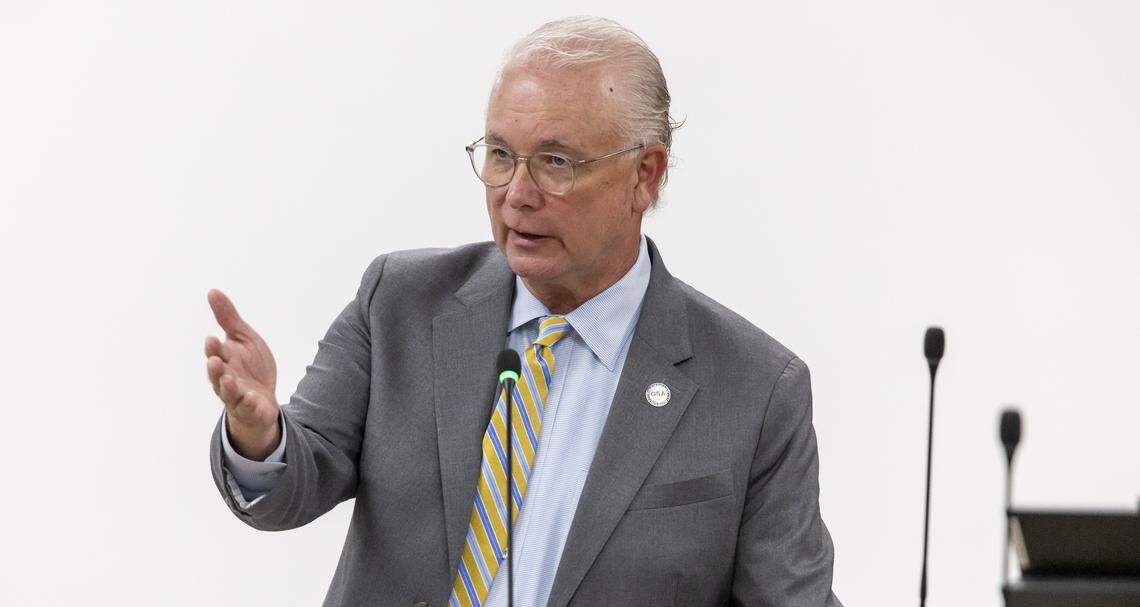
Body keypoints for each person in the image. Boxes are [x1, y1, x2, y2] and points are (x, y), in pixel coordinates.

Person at [205, 16, 841, 607]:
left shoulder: (756, 391)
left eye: (556, 163)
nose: (517, 194)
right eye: (502, 155)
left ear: (645, 176)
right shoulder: (399, 301)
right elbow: (293, 484)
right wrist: (259, 437)